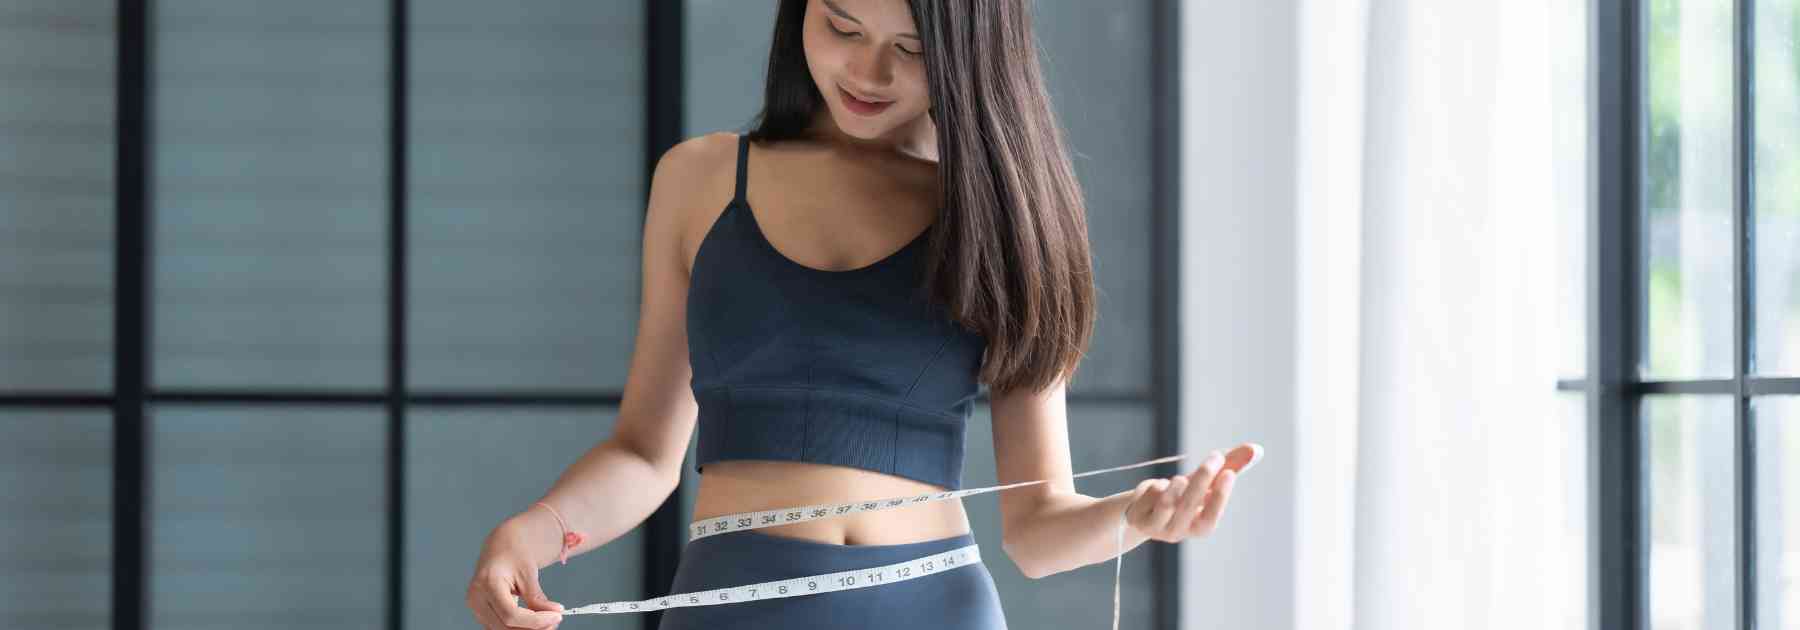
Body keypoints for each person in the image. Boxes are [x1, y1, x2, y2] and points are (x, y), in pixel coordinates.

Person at [465, 1, 1261, 628]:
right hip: (734, 607)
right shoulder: (699, 180)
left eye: (910, 48)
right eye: (842, 27)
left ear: (967, 51)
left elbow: (1038, 529)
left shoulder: (1005, 214)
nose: (867, 71)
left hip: (936, 607)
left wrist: (1139, 517)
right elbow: (643, 454)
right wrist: (528, 535)